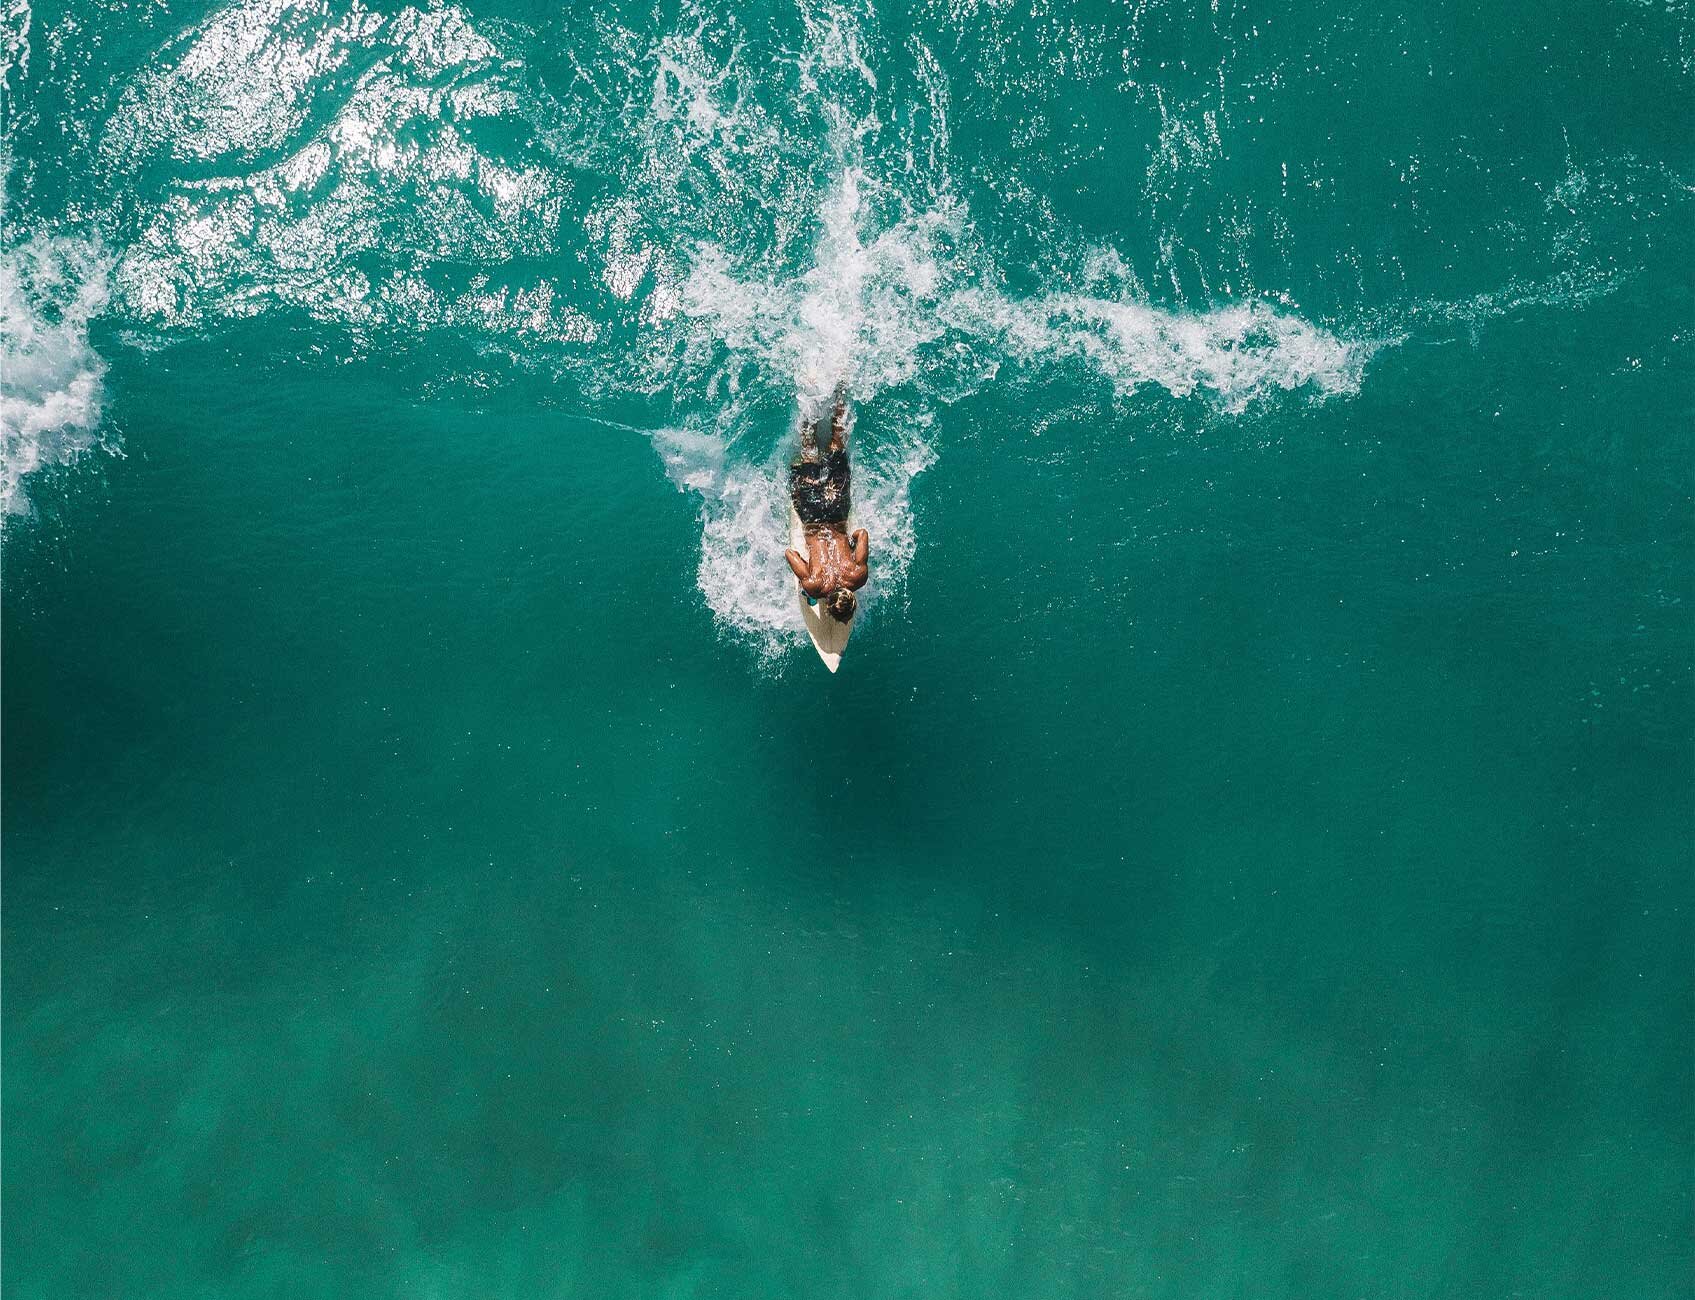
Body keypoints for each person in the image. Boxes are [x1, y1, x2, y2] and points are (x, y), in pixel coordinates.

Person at [785, 385, 868, 623]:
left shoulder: (857, 576)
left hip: (836, 508)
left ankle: (840, 389)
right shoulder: (813, 585)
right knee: (809, 448)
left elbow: (862, 534)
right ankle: (809, 394)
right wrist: (806, 572)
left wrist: (850, 542)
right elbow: (791, 554)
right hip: (811, 514)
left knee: (836, 443)